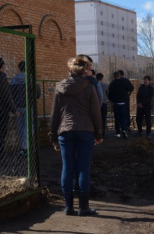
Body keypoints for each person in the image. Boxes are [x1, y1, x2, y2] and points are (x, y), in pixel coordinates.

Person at [49, 56, 103, 216]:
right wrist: (99, 133)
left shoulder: (59, 87)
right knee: (83, 168)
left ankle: (68, 207)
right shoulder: (89, 87)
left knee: (67, 168)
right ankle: (83, 207)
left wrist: (53, 136)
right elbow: (95, 112)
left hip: (65, 132)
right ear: (83, 70)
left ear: (69, 70)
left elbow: (54, 115)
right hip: (85, 131)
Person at [10, 60, 41, 157]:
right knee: (28, 127)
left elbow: (10, 94)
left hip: (17, 107)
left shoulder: (14, 80)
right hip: (29, 106)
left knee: (20, 127)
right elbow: (37, 94)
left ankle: (23, 147)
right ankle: (26, 147)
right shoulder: (31, 79)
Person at [108, 70, 134, 139]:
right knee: (124, 117)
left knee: (117, 118)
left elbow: (109, 94)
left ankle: (118, 133)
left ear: (114, 76)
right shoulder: (124, 81)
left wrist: (112, 100)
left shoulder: (112, 84)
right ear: (119, 76)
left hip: (116, 103)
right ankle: (124, 129)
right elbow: (131, 88)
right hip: (124, 102)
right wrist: (128, 95)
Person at [96, 72, 108, 138]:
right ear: (102, 78)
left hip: (96, 104)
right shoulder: (105, 86)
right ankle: (102, 134)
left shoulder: (94, 85)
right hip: (104, 103)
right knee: (103, 119)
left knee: (97, 119)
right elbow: (107, 93)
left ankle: (97, 134)